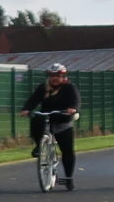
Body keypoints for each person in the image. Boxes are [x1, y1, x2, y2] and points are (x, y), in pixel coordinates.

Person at [22, 60, 81, 189]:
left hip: (62, 119)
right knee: (36, 120)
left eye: (58, 76)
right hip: (46, 117)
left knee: (67, 150)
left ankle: (69, 178)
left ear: (63, 77)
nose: (54, 79)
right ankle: (39, 146)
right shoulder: (44, 87)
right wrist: (27, 109)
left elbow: (75, 101)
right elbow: (33, 100)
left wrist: (73, 108)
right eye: (52, 76)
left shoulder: (69, 87)